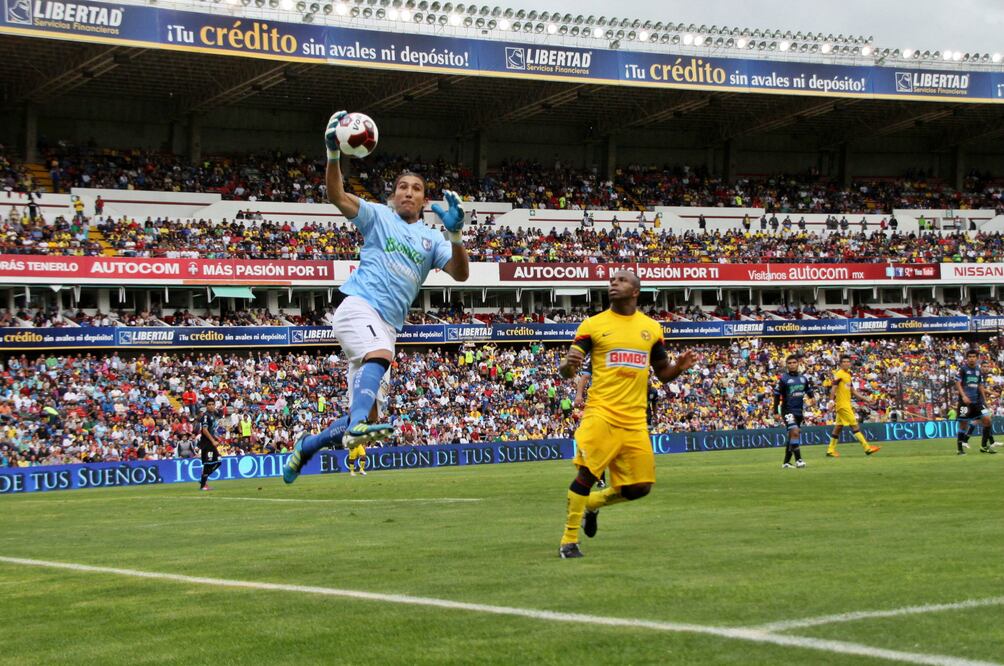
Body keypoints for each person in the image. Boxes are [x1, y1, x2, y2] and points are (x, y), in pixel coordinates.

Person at [283, 110, 470, 484]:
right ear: (393, 194)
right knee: (381, 358)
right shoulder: (377, 216)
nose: (408, 192)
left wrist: (455, 236)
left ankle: (308, 446)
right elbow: (335, 194)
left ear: (423, 200)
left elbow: (462, 274)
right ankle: (351, 428)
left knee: (366, 418)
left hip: (387, 326)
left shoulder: (434, 238)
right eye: (403, 186)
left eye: (416, 189)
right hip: (358, 308)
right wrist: (333, 154)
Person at [556, 270, 697, 558]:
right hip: (601, 412)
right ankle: (569, 541)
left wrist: (679, 368)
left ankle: (593, 504)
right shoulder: (593, 325)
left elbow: (662, 373)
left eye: (620, 281)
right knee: (587, 474)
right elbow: (569, 369)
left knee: (640, 488)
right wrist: (566, 366)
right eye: (611, 282)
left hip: (634, 419)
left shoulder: (651, 328)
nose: (613, 284)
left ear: (635, 291)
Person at [826, 355, 880, 458]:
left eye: (848, 362)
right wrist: (831, 401)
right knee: (854, 426)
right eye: (844, 362)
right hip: (843, 405)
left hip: (846, 404)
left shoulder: (848, 375)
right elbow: (833, 388)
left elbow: (853, 391)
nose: (846, 363)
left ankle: (830, 450)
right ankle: (867, 448)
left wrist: (866, 399)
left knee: (838, 427)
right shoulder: (839, 374)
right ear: (840, 364)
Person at [955, 350, 998, 455]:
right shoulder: (963, 369)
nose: (971, 358)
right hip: (965, 402)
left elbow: (980, 386)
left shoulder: (978, 370)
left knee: (987, 419)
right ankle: (960, 449)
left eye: (974, 356)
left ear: (977, 358)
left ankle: (983, 446)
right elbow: (957, 382)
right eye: (969, 356)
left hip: (978, 402)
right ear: (967, 358)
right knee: (963, 425)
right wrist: (964, 396)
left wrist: (985, 400)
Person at [773, 355, 812, 469]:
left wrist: (812, 397)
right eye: (789, 363)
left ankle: (786, 462)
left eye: (794, 362)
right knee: (795, 431)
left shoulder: (803, 378)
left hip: (799, 411)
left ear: (798, 363)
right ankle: (799, 460)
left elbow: (808, 390)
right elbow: (776, 395)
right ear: (787, 365)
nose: (792, 365)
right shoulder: (783, 379)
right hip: (787, 410)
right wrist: (775, 411)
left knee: (792, 436)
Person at [198, 398, 223, 491]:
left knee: (218, 461)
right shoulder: (205, 416)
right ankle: (203, 485)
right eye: (209, 404)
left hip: (210, 443)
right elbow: (204, 430)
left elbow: (211, 430)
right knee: (208, 464)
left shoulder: (212, 416)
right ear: (206, 406)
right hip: (206, 443)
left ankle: (203, 480)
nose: (211, 406)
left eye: (213, 404)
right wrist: (213, 441)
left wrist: (216, 437)